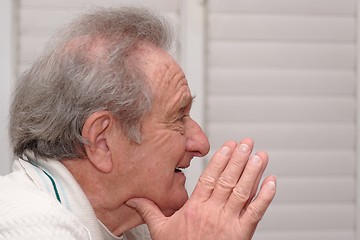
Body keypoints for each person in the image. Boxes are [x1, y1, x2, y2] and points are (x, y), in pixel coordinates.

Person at [0, 6, 276, 240]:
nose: (201, 143)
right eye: (178, 117)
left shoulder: (134, 225)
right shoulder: (29, 226)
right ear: (102, 142)